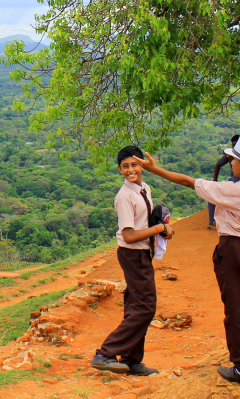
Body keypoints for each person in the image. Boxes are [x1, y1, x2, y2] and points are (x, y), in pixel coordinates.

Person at [137, 135, 240, 388]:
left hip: (231, 249)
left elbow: (187, 181)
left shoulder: (231, 190)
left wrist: (154, 169)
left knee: (235, 310)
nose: (231, 163)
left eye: (235, 159)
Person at [92, 146, 174, 375]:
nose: (131, 170)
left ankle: (131, 360)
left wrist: (161, 230)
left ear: (143, 166)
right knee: (146, 307)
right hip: (132, 254)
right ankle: (105, 353)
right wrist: (159, 227)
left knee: (135, 305)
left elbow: (143, 225)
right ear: (119, 170)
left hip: (141, 253)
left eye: (135, 164)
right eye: (125, 166)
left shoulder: (144, 189)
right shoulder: (125, 197)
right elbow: (128, 234)